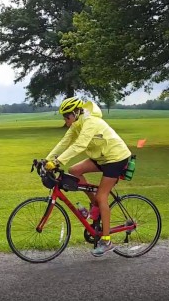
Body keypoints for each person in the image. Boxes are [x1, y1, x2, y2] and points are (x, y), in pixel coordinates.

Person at [44, 96, 132, 257]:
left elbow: (80, 145)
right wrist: (48, 159)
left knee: (102, 196)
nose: (66, 121)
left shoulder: (91, 122)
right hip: (101, 157)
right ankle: (95, 205)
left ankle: (106, 241)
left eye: (67, 117)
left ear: (76, 113)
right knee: (74, 170)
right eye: (64, 117)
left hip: (116, 158)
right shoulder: (77, 124)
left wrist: (57, 162)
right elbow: (65, 142)